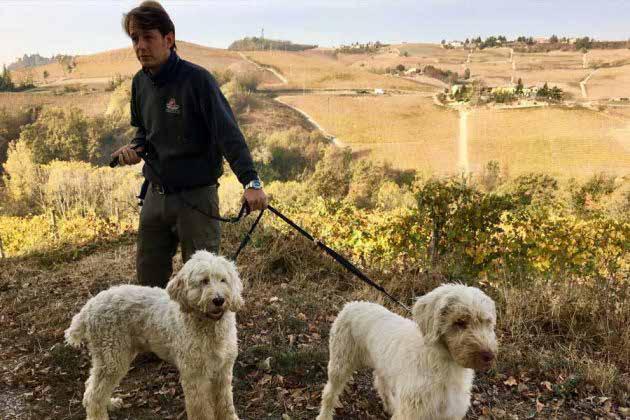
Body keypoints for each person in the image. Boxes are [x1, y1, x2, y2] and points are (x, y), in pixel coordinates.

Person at [111, 1, 267, 288]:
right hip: (155, 198)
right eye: (135, 38)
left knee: (205, 290)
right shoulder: (138, 83)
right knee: (148, 285)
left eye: (148, 37)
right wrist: (135, 150)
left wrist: (251, 182)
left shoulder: (198, 80)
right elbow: (144, 134)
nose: (140, 46)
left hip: (197, 200)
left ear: (168, 39)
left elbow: (228, 134)